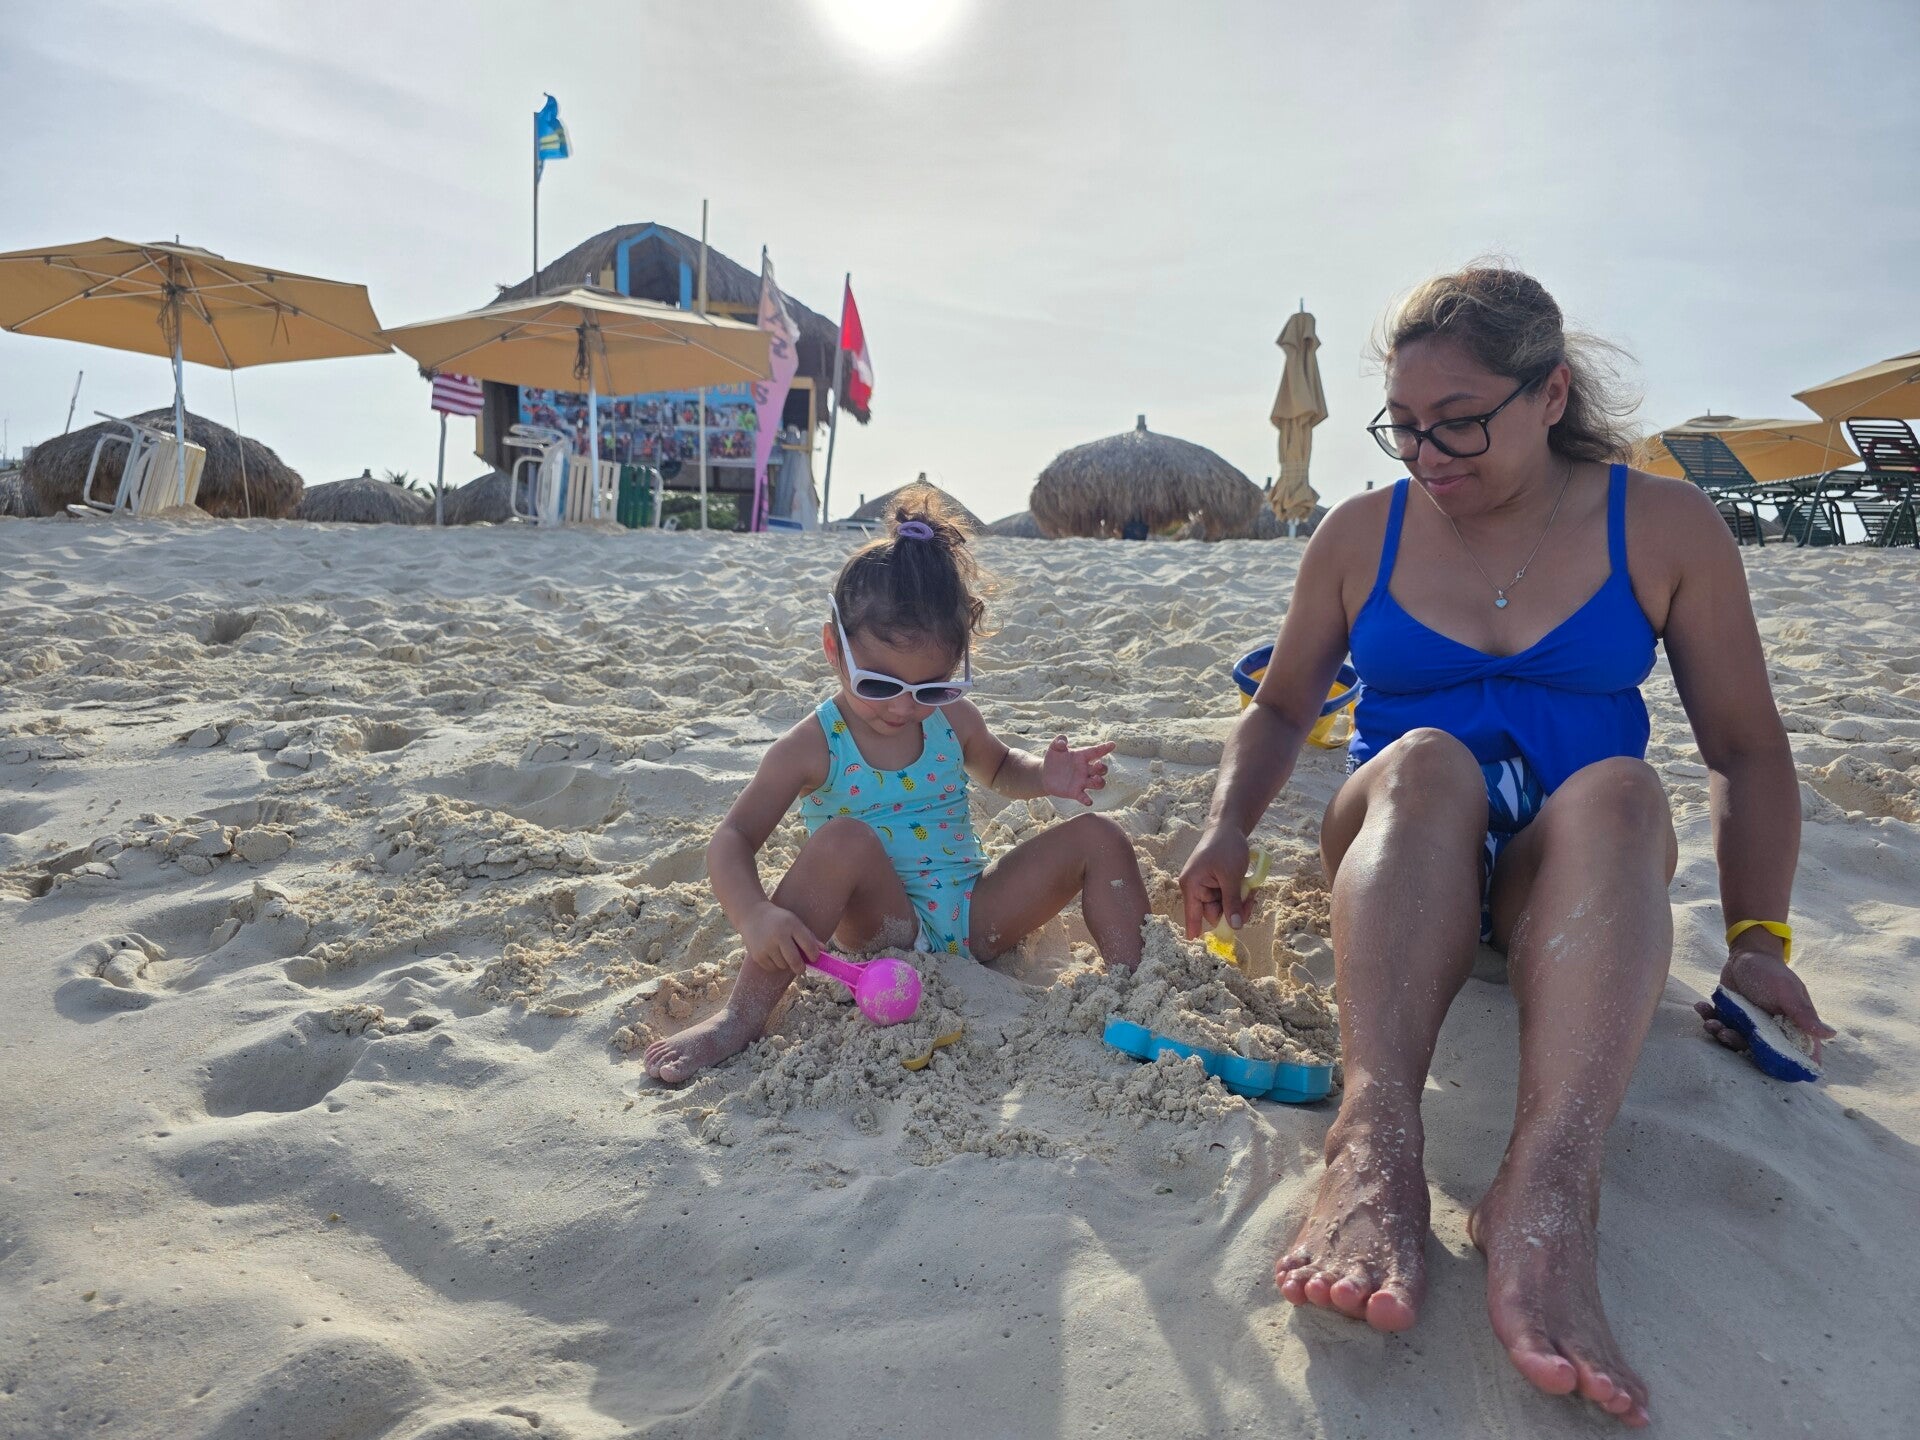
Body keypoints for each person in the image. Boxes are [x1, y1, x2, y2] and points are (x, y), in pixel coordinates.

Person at [1178, 265, 1831, 1429]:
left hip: (1566, 885)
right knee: (1428, 757)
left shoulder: (1661, 526)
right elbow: (1280, 709)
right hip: (1400, 853)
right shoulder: (1359, 533)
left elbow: (1743, 746)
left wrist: (1759, 937)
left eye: (1460, 421)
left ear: (1551, 395)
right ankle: (1374, 1143)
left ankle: (1552, 1186)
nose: (1426, 454)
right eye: (1404, 425)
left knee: (1624, 790)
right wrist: (1227, 825)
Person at [647, 486, 1150, 1082]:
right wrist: (754, 915)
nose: (904, 707)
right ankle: (738, 1018)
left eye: (931, 688)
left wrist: (1045, 775)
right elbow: (732, 837)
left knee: (1098, 836)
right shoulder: (814, 744)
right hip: (886, 927)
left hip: (974, 911)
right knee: (843, 841)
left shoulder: (952, 717)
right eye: (880, 686)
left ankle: (1137, 991)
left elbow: (997, 768)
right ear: (834, 648)